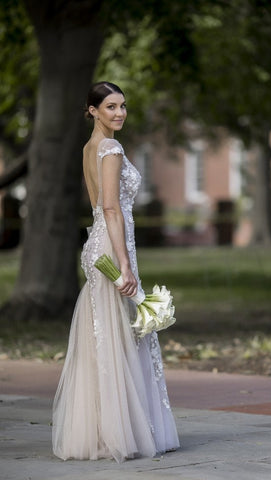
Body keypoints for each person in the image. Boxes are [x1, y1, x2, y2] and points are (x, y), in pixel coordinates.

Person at [52, 81, 180, 463]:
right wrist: (124, 264)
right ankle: (125, 432)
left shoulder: (89, 148)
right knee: (121, 337)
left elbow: (98, 207)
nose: (120, 113)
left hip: (97, 244)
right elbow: (110, 208)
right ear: (92, 110)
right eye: (110, 107)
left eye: (123, 106)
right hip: (112, 245)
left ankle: (104, 430)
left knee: (105, 337)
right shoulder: (110, 148)